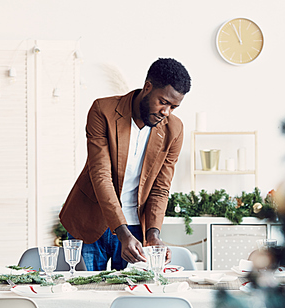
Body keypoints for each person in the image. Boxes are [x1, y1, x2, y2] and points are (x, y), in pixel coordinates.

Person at [59, 58, 191, 271]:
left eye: (173, 107)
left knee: (134, 296)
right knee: (86, 293)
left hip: (138, 228)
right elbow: (100, 174)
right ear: (148, 87)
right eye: (163, 102)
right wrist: (122, 233)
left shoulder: (173, 130)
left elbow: (160, 188)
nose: (166, 112)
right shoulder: (103, 111)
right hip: (91, 222)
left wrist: (153, 234)